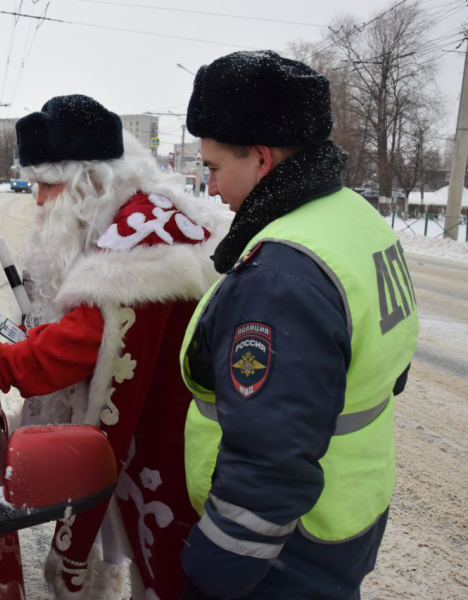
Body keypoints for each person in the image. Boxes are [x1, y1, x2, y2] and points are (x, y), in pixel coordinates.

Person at [0, 95, 221, 599]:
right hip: (166, 428)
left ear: (89, 180)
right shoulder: (140, 212)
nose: (38, 200)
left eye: (46, 185)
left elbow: (79, 344)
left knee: (165, 567)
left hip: (172, 442)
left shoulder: (141, 240)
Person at [178, 50, 420, 599]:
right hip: (351, 503)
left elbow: (269, 462)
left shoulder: (280, 275)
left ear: (262, 159)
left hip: (285, 547)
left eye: (213, 168)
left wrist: (213, 574)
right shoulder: (352, 216)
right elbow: (391, 360)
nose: (209, 188)